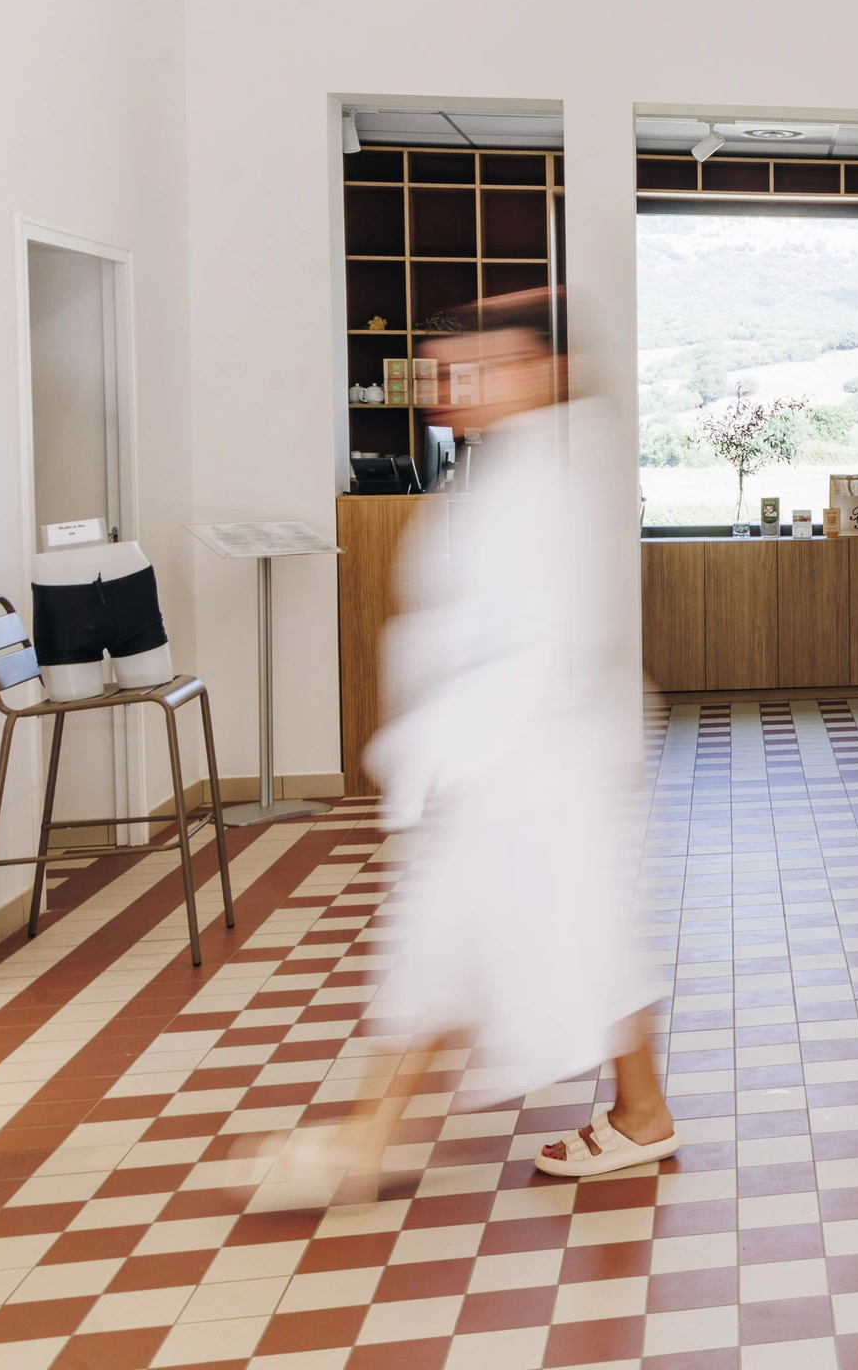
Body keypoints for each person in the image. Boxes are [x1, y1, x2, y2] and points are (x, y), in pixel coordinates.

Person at [255, 290, 673, 1207]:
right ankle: (639, 1111)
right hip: (505, 758)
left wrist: (439, 747)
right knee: (563, 934)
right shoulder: (507, 466)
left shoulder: (548, 482)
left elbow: (543, 644)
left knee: (458, 941)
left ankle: (368, 1138)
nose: (455, 387)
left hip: (524, 759)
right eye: (447, 372)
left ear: (545, 372)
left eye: (482, 368)